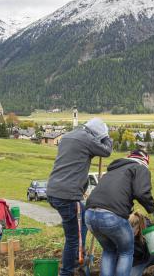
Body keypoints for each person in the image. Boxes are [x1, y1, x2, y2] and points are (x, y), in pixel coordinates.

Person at [46, 117, 113, 276]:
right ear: (96, 133)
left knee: (82, 218)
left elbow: (73, 162)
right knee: (73, 238)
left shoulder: (69, 136)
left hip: (54, 191)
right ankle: (67, 271)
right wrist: (106, 137)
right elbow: (106, 151)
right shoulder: (87, 139)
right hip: (68, 196)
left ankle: (78, 255)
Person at [85, 150, 154, 276]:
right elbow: (142, 193)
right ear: (145, 161)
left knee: (109, 251)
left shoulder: (113, 170)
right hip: (111, 216)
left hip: (89, 215)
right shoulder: (140, 168)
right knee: (126, 252)